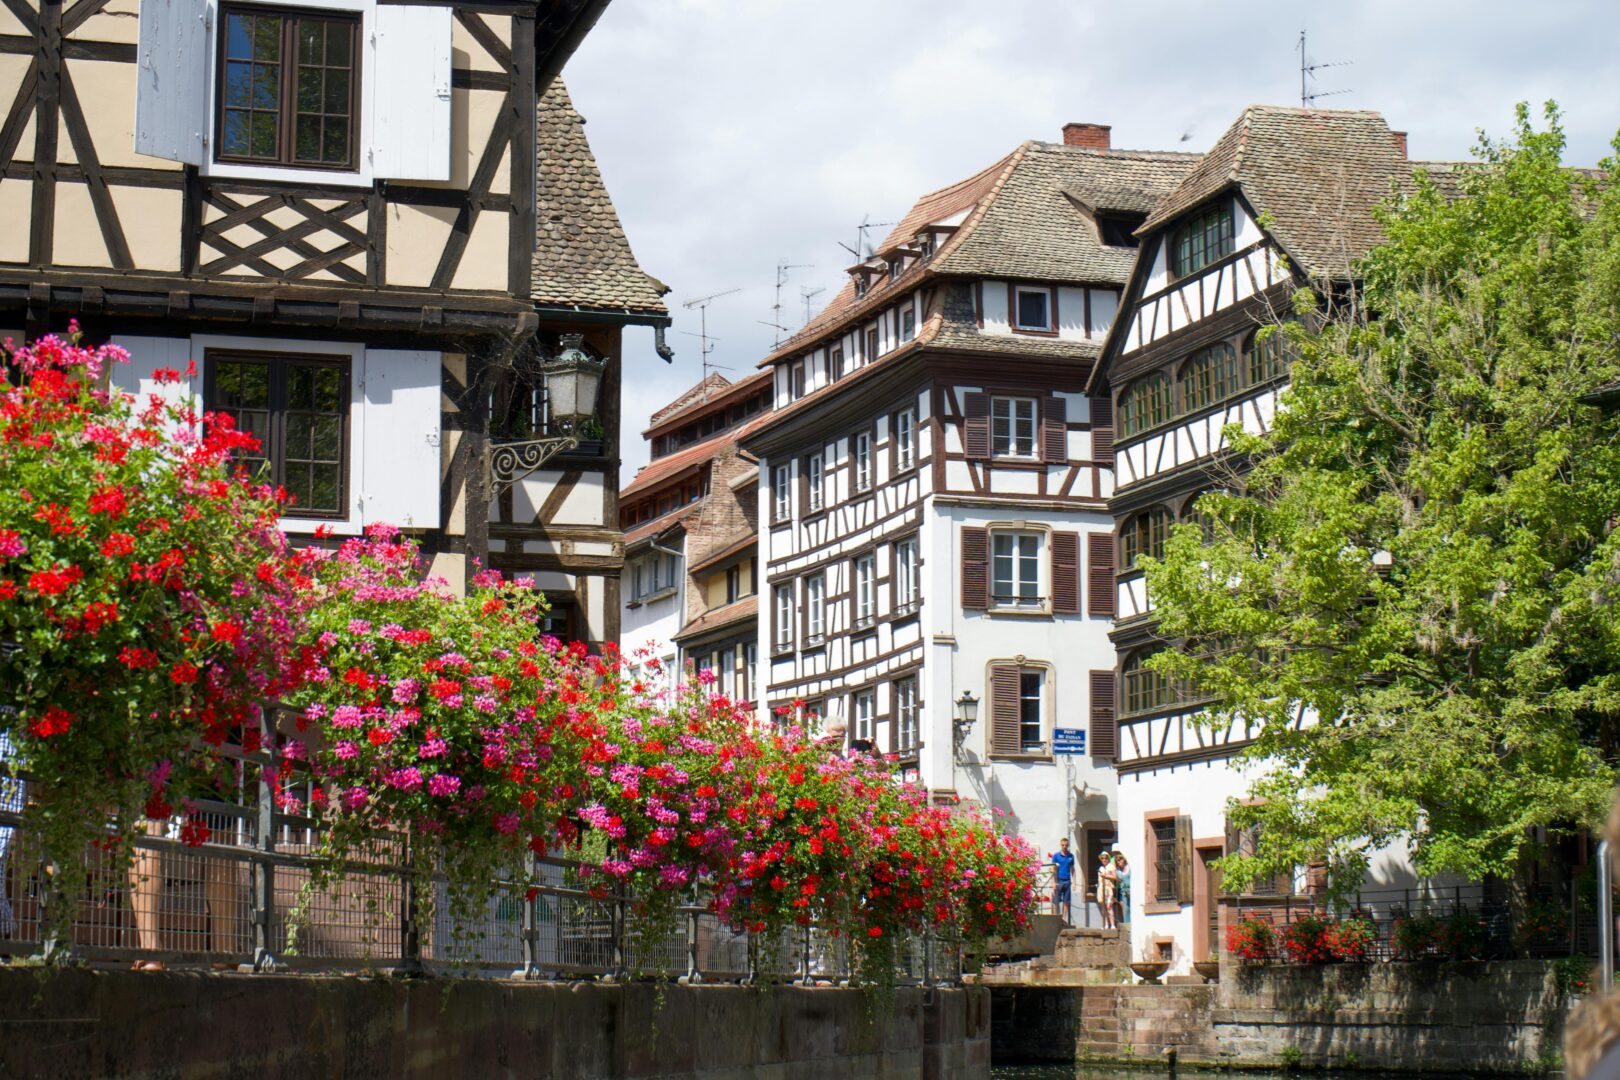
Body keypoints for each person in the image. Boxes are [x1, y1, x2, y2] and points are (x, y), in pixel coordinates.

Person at [1048, 838, 1076, 923]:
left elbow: (1073, 869)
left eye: (1066, 845)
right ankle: (1057, 918)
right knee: (1056, 901)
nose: (1064, 847)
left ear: (1068, 845)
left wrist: (1074, 882)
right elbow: (1053, 869)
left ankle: (1064, 919)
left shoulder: (1071, 856)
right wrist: (1053, 882)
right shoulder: (1056, 856)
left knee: (1066, 902)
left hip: (1067, 881)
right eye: (1063, 845)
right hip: (1059, 881)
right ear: (1061, 845)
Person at [1096, 850, 1118, 930]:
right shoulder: (1101, 868)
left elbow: (1115, 877)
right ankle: (1106, 924)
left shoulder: (1111, 866)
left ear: (1108, 858)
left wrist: (1106, 875)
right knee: (1103, 907)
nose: (1104, 860)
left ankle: (1112, 924)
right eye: (1102, 858)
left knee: (1109, 906)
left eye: (1105, 858)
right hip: (1101, 888)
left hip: (1108, 888)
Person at [1113, 852, 1131, 927]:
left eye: (1120, 859)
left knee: (1133, 908)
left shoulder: (1129, 868)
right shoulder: (1118, 871)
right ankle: (1128, 925)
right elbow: (1117, 880)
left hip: (1132, 891)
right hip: (1124, 892)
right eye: (1117, 860)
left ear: (1124, 860)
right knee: (1126, 909)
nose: (1119, 861)